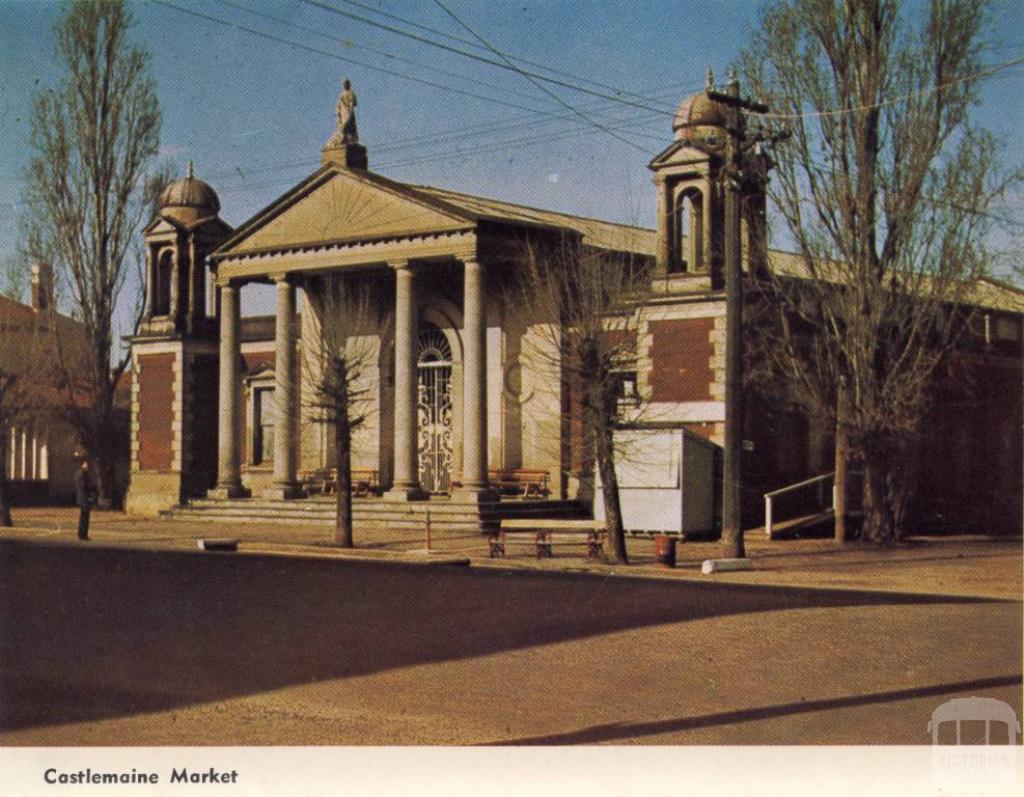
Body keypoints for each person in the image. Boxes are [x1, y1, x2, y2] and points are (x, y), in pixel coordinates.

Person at [74, 458, 95, 541]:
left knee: (84, 517)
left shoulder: (79, 473)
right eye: (86, 464)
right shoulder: (83, 474)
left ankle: (82, 534)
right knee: (85, 518)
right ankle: (83, 535)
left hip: (82, 498)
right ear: (82, 465)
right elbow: (84, 487)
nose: (88, 465)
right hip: (84, 498)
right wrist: (90, 494)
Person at [336, 78, 358, 143]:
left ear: (348, 84)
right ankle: (343, 138)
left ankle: (350, 138)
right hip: (343, 112)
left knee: (349, 125)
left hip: (348, 111)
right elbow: (338, 105)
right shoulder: (341, 94)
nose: (345, 85)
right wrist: (338, 112)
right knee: (343, 125)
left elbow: (354, 103)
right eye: (344, 84)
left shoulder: (351, 93)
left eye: (346, 83)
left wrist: (350, 109)